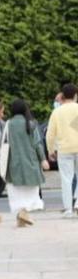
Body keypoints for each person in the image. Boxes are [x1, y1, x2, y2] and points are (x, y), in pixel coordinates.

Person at [3, 99, 48, 226]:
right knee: (31, 192)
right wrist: (43, 159)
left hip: (14, 164)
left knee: (16, 192)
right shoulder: (31, 123)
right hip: (30, 162)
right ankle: (23, 214)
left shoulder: (8, 124)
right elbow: (37, 144)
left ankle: (21, 218)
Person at [46, 83, 78, 217]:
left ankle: (68, 209)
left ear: (63, 95)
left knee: (66, 179)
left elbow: (50, 134)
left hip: (64, 149)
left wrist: (51, 149)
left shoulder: (57, 112)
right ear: (75, 95)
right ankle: (77, 204)